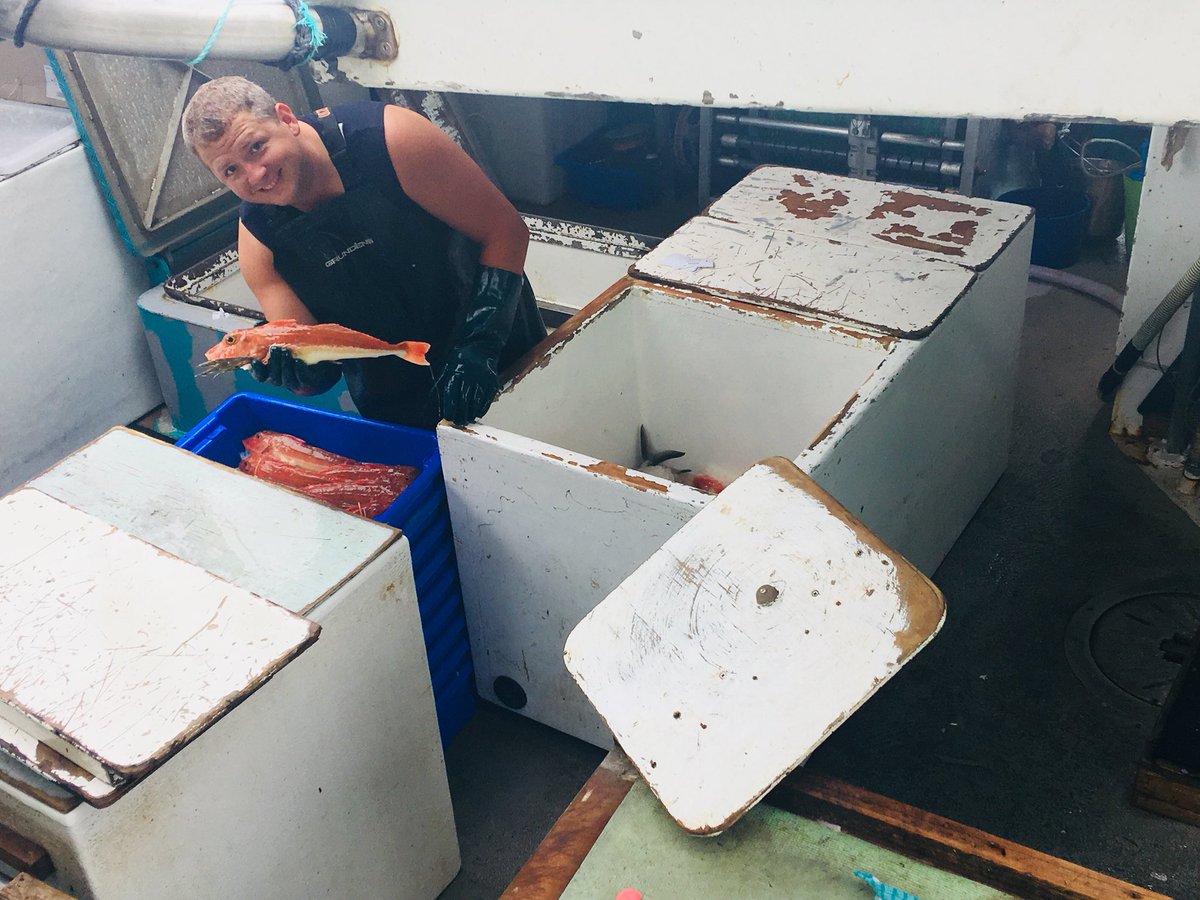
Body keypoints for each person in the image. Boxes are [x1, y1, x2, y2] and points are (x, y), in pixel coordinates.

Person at [181, 76, 545, 428]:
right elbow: (315, 372)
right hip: (398, 408)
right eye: (230, 170)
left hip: (505, 354)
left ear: (287, 119)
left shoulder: (393, 140)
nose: (256, 175)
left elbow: (506, 231)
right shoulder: (260, 245)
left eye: (256, 146)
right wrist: (296, 372)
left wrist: (481, 345)